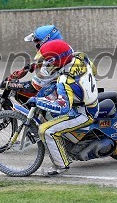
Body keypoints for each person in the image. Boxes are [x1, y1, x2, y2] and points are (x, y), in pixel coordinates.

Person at [28, 39, 99, 176]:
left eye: (49, 60)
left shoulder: (64, 79)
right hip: (90, 100)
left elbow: (63, 108)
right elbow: (94, 70)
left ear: (58, 59)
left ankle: (60, 166)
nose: (47, 63)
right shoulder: (80, 57)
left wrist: (37, 101)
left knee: (46, 130)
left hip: (83, 113)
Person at [0, 25, 64, 97]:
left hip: (57, 99)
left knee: (33, 100)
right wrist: (31, 66)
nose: (36, 45)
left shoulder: (50, 64)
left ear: (46, 41)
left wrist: (9, 85)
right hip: (61, 92)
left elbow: (32, 88)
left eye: (37, 41)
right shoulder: (63, 53)